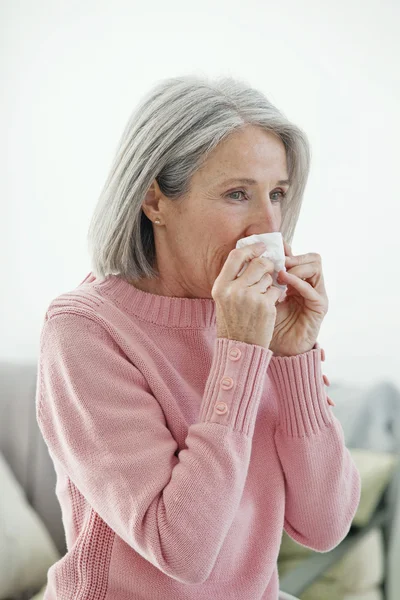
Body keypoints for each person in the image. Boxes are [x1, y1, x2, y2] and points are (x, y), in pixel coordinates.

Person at [36, 75, 361, 600]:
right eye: (237, 194)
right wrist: (240, 353)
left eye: (276, 194)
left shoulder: (256, 316)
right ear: (154, 201)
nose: (267, 226)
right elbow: (182, 551)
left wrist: (293, 354)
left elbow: (324, 527)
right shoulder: (84, 331)